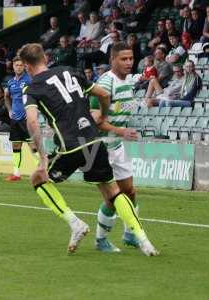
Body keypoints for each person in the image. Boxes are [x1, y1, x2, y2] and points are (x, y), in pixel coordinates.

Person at [19, 42, 158, 256]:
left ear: (27, 66)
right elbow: (103, 95)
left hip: (70, 146)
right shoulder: (69, 71)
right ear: (45, 58)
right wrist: (102, 115)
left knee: (38, 179)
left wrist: (44, 158)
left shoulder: (32, 87)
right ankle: (143, 240)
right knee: (113, 192)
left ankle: (75, 223)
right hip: (93, 141)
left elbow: (32, 122)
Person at [89, 41, 146, 252]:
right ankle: (100, 240)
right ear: (112, 60)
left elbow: (120, 108)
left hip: (116, 145)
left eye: (131, 58)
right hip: (100, 147)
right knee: (113, 198)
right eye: (123, 59)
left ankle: (130, 234)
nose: (129, 62)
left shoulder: (127, 82)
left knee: (129, 191)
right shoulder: (105, 83)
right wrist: (122, 131)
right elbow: (95, 119)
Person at [3, 56, 36, 182]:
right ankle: (16, 174)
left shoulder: (29, 80)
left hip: (27, 119)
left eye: (21, 65)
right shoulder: (10, 82)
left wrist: (32, 111)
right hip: (15, 119)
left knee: (33, 146)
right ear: (13, 66)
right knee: (16, 146)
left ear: (24, 67)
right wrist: (10, 110)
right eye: (16, 65)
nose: (19, 67)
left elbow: (36, 95)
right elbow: (6, 96)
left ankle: (44, 171)